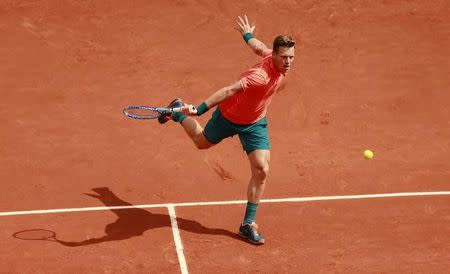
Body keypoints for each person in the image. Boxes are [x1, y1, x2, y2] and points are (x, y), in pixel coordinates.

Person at [159, 15, 295, 245]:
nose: (288, 62)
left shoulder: (274, 58)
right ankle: (177, 111)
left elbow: (258, 47)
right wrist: (199, 109)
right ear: (275, 55)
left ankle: (247, 224)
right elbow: (228, 90)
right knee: (202, 142)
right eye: (284, 57)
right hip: (229, 116)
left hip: (255, 121)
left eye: (291, 57)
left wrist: (247, 34)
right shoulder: (259, 77)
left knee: (261, 169)